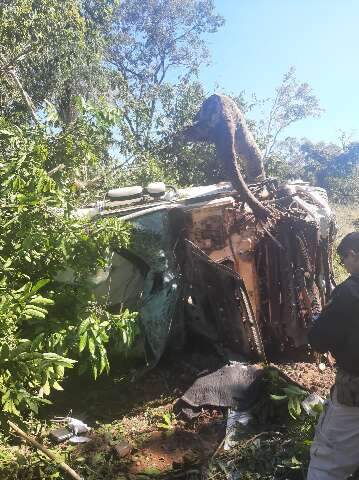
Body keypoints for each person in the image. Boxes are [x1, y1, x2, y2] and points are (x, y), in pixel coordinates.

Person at [307, 232, 359, 480]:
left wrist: (317, 320)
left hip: (355, 390)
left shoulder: (348, 293)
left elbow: (319, 339)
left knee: (328, 459)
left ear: (353, 255)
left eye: (344, 259)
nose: (345, 266)